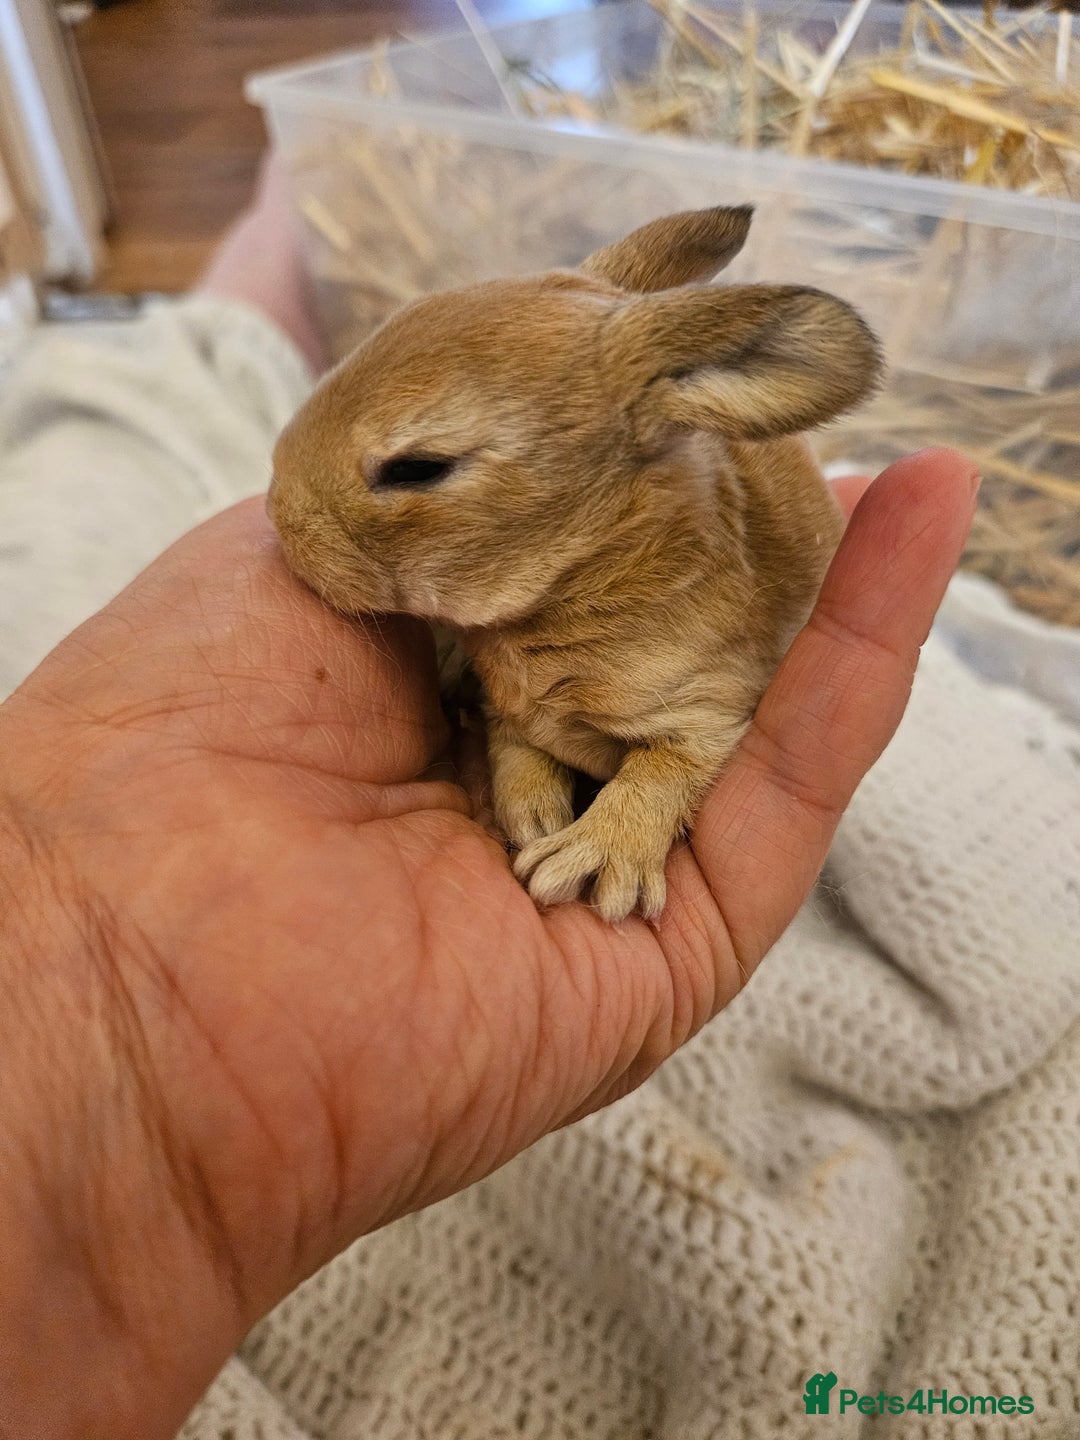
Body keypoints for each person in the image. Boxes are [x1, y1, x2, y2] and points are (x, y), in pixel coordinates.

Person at [0, 159, 981, 1438]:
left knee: (94, 424)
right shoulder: (478, 591)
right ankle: (243, 304)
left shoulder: (673, 590)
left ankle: (239, 302)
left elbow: (691, 736)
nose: (285, 529)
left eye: (413, 474)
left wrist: (629, 816)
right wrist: (515, 754)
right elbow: (502, 703)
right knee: (106, 433)